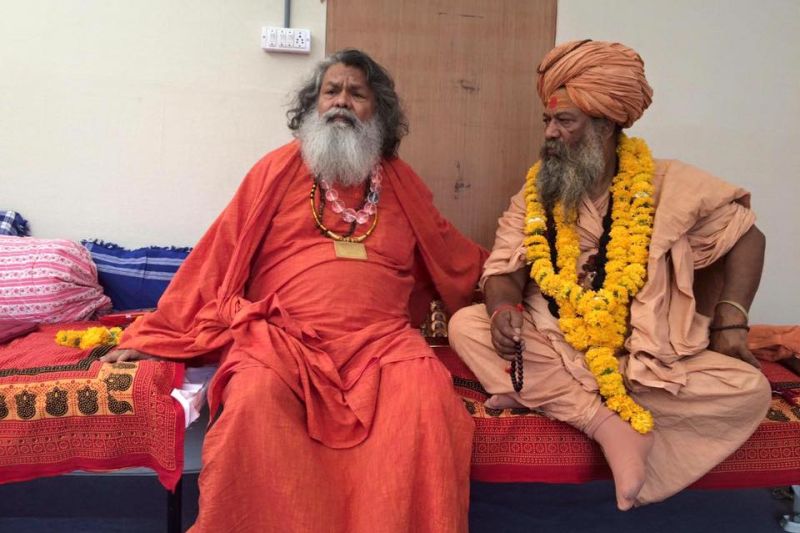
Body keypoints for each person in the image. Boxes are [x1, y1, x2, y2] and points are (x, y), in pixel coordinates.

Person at [102, 49, 486, 532]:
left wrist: (514, 287)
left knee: (427, 401)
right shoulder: (276, 171)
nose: (341, 101)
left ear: (379, 112)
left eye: (357, 93)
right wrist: (160, 334)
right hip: (281, 340)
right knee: (252, 400)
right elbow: (218, 255)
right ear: (312, 105)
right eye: (331, 91)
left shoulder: (403, 184)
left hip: (383, 346)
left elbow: (455, 257)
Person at [448, 39, 771, 511]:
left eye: (565, 121)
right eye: (547, 120)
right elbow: (503, 269)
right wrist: (501, 310)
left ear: (606, 125)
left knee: (748, 391)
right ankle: (604, 423)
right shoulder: (537, 193)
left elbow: (747, 236)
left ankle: (551, 397)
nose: (551, 133)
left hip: (642, 359)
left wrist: (731, 322)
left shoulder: (667, 184)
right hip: (556, 341)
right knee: (467, 326)